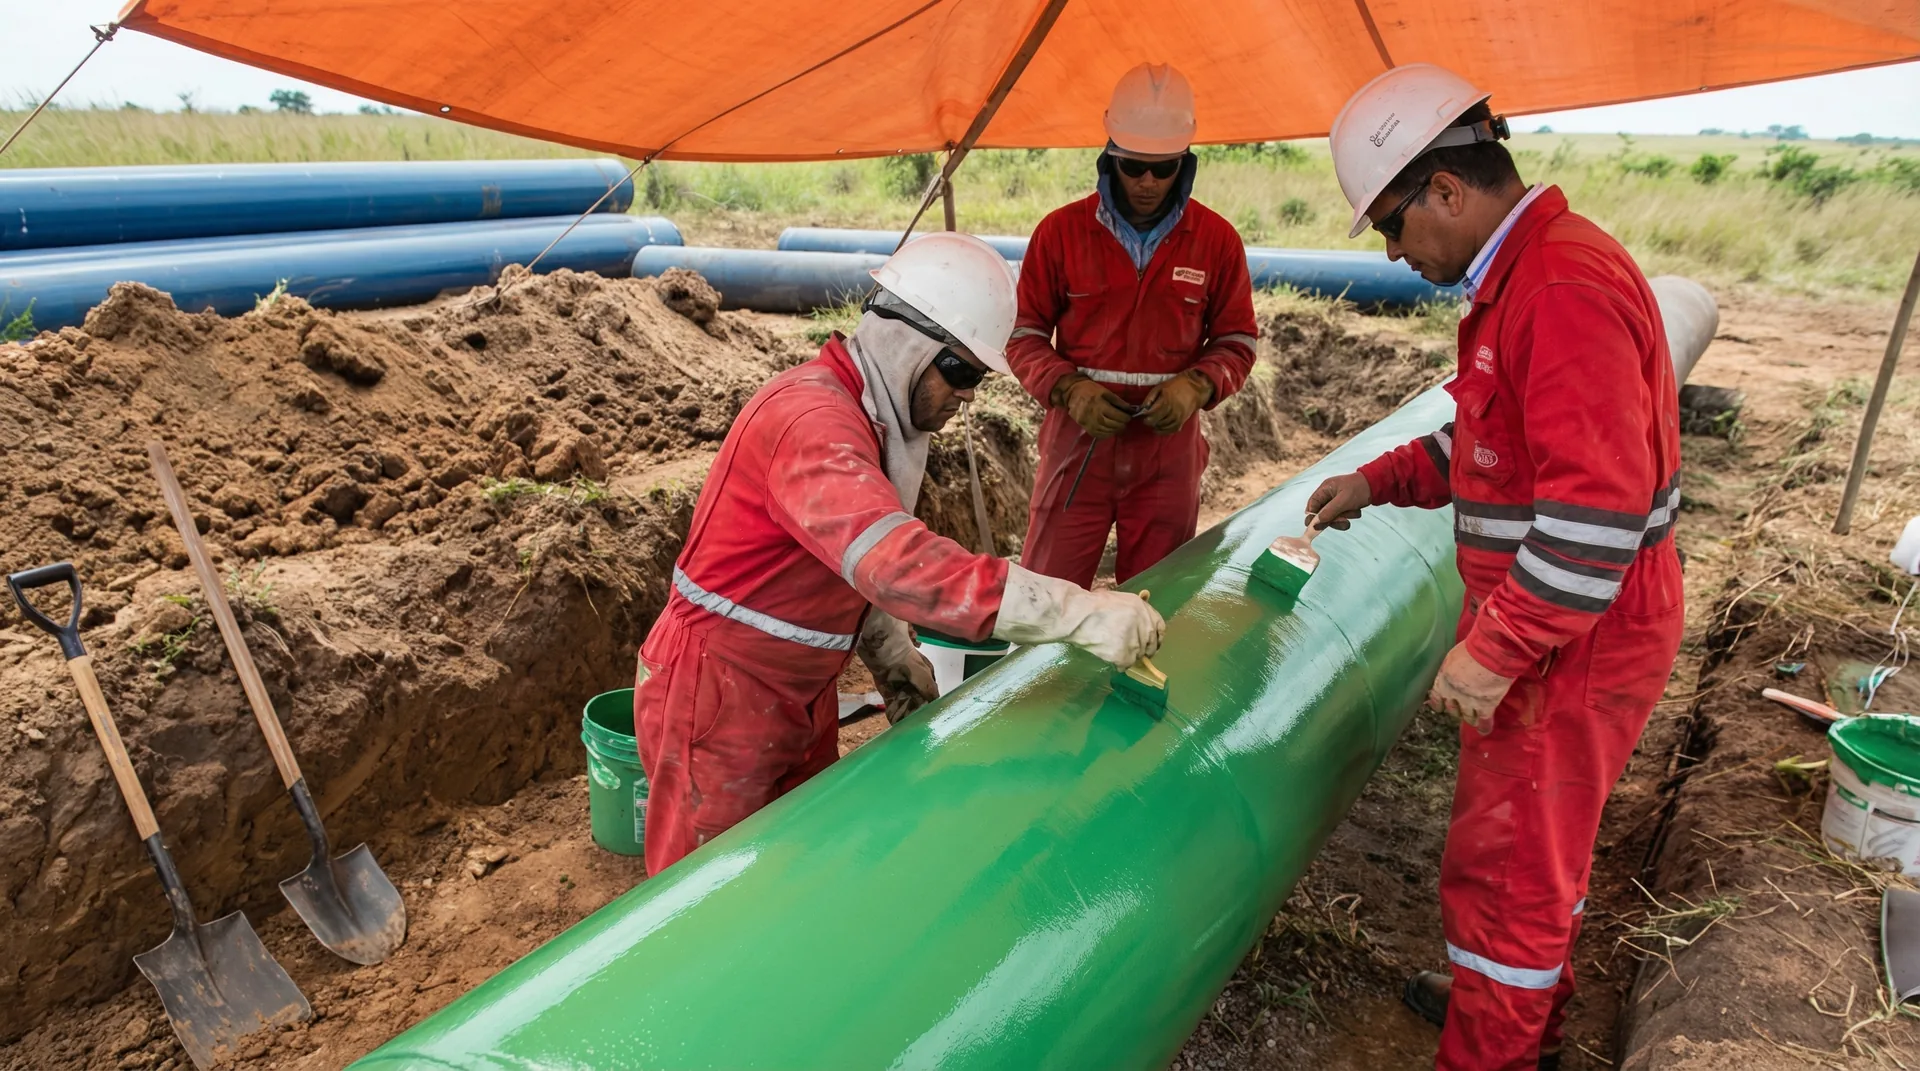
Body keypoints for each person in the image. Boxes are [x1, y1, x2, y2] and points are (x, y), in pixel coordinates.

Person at [1305, 64, 1684, 1071]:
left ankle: (1495, 1046)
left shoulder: (1557, 288)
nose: (1394, 252)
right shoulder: (1525, 278)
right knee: (1528, 857)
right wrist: (1376, 481)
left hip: (1574, 635)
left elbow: (1595, 515)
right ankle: (1515, 1008)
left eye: (1393, 225)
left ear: (1445, 188)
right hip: (1569, 622)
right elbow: (1486, 443)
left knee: (1508, 869)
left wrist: (1496, 648)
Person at [633, 232, 1166, 876]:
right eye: (961, 372)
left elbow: (848, 562)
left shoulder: (870, 423)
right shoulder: (812, 423)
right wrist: (1076, 611)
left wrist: (890, 659)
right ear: (906, 342)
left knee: (789, 876)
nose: (968, 395)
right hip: (719, 688)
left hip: (797, 686)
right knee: (706, 898)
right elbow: (894, 564)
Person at [1008, 62, 1258, 587]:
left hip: (1167, 451)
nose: (1148, 182)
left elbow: (1237, 340)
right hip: (1077, 444)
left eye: (1164, 169)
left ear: (1185, 163)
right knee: (1046, 596)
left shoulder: (1216, 241)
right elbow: (1024, 334)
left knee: (1158, 600)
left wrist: (1198, 384)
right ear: (1109, 157)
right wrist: (1069, 388)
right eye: (1133, 167)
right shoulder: (1059, 234)